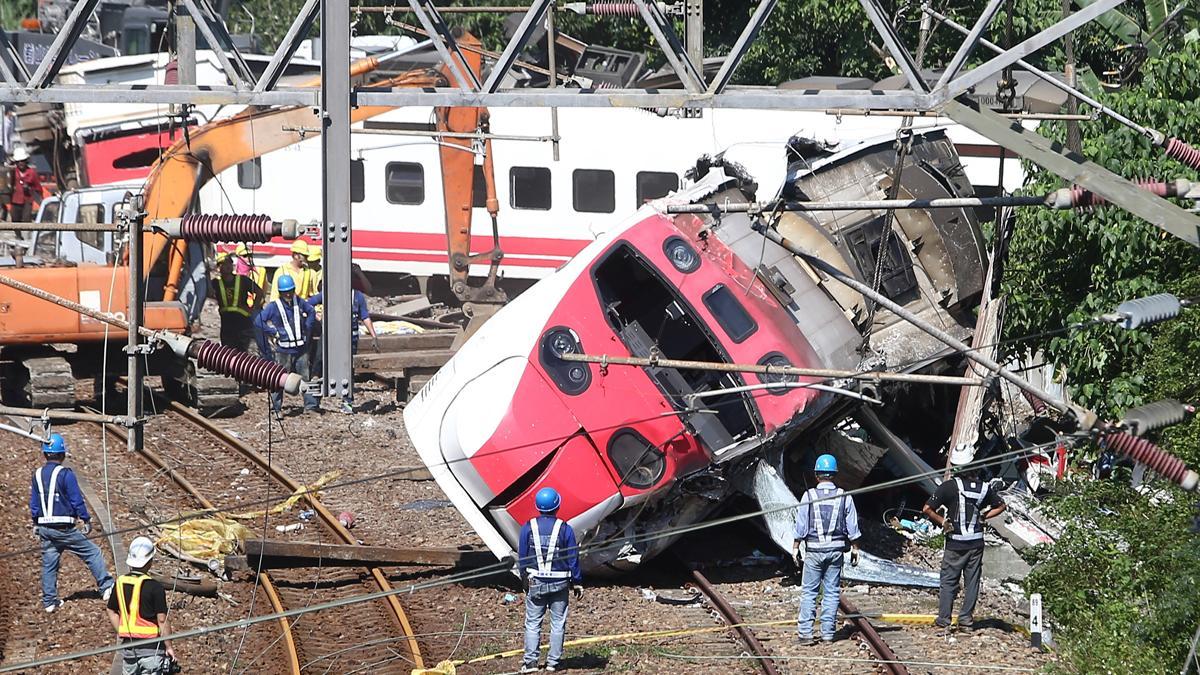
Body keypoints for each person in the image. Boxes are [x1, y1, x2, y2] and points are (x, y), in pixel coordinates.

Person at [922, 445, 1007, 631]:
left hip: (955, 542)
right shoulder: (985, 489)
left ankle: (944, 620)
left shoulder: (949, 487)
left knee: (948, 581)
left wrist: (942, 521)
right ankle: (966, 620)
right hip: (976, 542)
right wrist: (984, 516)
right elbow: (1001, 505)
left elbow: (927, 509)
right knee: (972, 582)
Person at [30, 432, 115, 612]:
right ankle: (107, 587)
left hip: (45, 528)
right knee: (93, 553)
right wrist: (85, 519)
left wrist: (35, 523)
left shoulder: (37, 474)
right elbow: (76, 500)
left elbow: (34, 503)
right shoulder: (66, 474)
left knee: (49, 564)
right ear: (62, 454)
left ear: (45, 454)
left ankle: (49, 602)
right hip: (65, 528)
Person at [792, 453, 861, 644]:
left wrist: (796, 547)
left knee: (809, 592)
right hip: (836, 550)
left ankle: (806, 633)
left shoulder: (809, 496)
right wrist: (856, 548)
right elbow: (852, 527)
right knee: (831, 592)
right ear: (834, 474)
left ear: (816, 474)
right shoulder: (844, 496)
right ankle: (828, 633)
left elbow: (801, 526)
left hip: (813, 550)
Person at [518, 487, 581, 673]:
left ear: (538, 506)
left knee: (532, 623)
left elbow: (523, 554)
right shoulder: (565, 528)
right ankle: (553, 662)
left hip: (535, 581)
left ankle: (530, 663)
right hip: (560, 583)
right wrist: (577, 581)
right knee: (558, 623)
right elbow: (573, 557)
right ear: (557, 505)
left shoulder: (528, 527)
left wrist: (523, 576)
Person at [107, 536, 177, 674]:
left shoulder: (120, 582)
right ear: (150, 561)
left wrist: (121, 630)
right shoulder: (155, 587)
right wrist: (169, 646)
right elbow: (162, 620)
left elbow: (111, 610)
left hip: (129, 650)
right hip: (152, 650)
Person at [254, 274, 320, 415]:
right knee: (278, 379)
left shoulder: (300, 303)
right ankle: (275, 408)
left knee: (305, 377)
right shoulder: (274, 307)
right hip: (283, 350)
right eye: (286, 292)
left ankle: (310, 406)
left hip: (300, 348)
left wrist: (308, 327)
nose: (289, 294)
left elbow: (311, 311)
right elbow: (259, 322)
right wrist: (273, 332)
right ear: (281, 292)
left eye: (291, 291)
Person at [308, 287, 378, 413]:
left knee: (348, 370)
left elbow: (364, 316)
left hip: (350, 338)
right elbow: (308, 304)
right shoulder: (329, 292)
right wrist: (316, 316)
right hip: (330, 336)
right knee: (319, 366)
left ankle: (347, 402)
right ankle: (313, 403)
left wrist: (373, 335)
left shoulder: (358, 296)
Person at [211, 252, 261, 352]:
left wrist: (253, 308)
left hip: (243, 323)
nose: (227, 266)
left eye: (229, 263)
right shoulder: (215, 283)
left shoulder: (243, 280)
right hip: (227, 324)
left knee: (244, 354)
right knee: (228, 354)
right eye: (224, 264)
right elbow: (207, 291)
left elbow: (259, 292)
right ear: (219, 267)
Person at [7, 146, 38, 268]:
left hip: (27, 200)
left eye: (22, 161)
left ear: (26, 162)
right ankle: (18, 236)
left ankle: (26, 239)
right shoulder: (12, 173)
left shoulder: (32, 173)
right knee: (15, 218)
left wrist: (30, 189)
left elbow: (37, 187)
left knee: (26, 219)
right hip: (15, 200)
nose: (21, 164)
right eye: (18, 162)